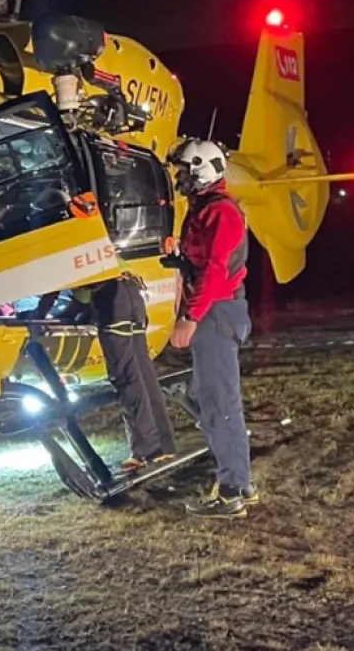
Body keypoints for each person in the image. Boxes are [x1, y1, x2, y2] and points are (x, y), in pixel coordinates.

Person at [168, 138, 258, 519]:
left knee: (220, 403)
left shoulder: (220, 212)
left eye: (185, 171)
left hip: (216, 312)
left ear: (203, 170)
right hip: (218, 310)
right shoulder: (206, 208)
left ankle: (233, 491)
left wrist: (190, 317)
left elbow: (216, 272)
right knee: (212, 398)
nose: (180, 178)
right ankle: (237, 484)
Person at [37, 266, 177, 473]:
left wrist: (41, 313)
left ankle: (146, 450)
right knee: (144, 375)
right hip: (132, 293)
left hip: (112, 302)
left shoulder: (62, 249)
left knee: (127, 379)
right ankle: (164, 444)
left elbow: (74, 295)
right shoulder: (87, 238)